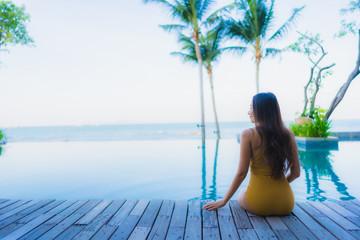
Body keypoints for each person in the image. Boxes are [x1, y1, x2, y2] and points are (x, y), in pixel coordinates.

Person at [202, 92, 300, 216]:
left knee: (242, 192)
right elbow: (296, 173)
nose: (249, 112)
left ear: (261, 110)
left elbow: (242, 173)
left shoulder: (248, 134)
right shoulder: (288, 134)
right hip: (286, 203)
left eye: (251, 108)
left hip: (260, 203)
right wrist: (277, 187)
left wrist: (223, 201)